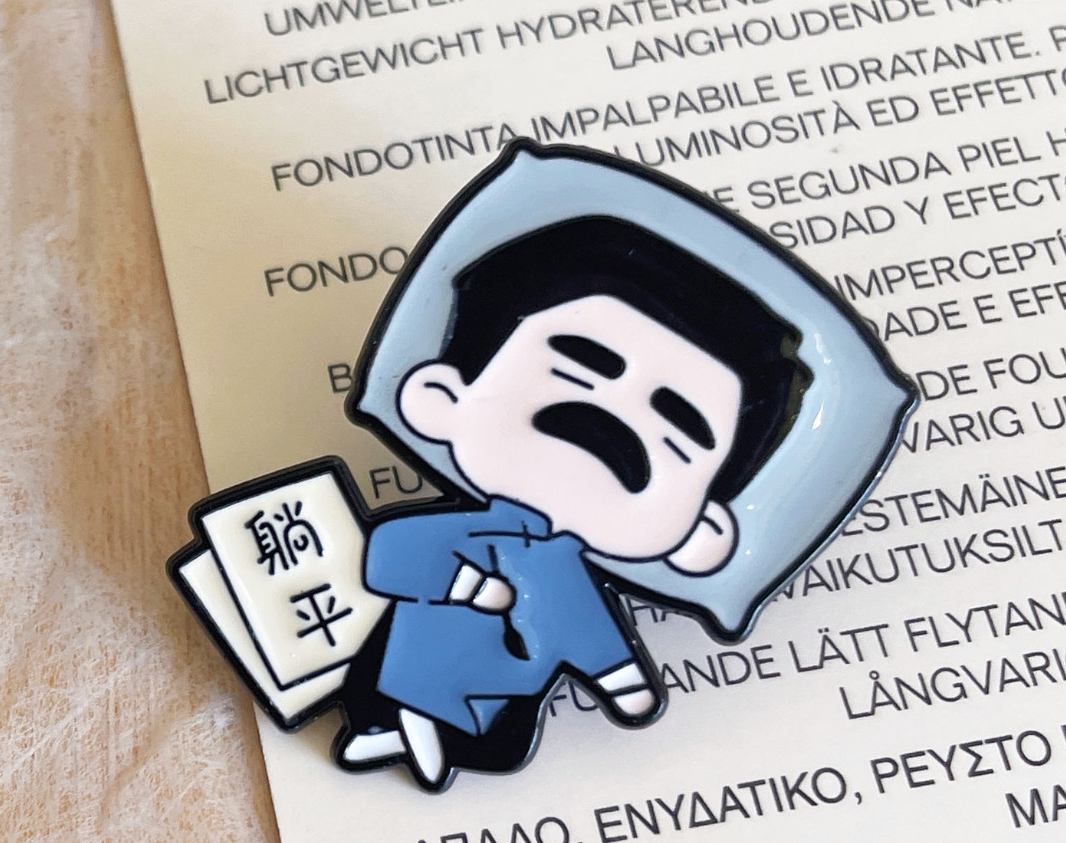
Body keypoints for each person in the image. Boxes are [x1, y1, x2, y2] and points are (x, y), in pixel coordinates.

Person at [336, 215, 810, 790]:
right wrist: (468, 588)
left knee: (490, 731)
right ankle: (401, 722)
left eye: (680, 425)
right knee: (410, 684)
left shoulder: (567, 580)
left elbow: (593, 637)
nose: (620, 410)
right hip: (413, 662)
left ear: (701, 535)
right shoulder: (460, 533)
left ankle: (421, 731)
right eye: (581, 361)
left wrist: (622, 684)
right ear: (440, 396)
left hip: (496, 694)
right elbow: (389, 553)